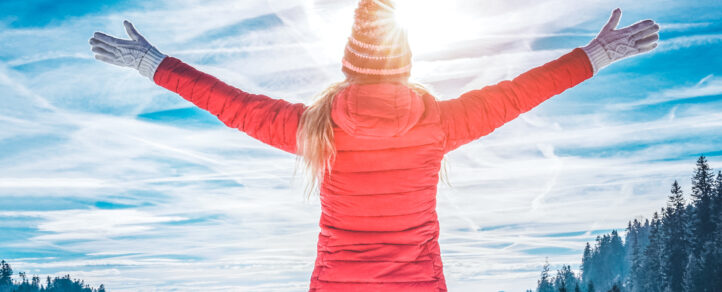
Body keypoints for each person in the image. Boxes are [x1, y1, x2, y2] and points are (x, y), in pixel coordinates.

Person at [88, 1, 659, 291]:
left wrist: (155, 65)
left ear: (349, 67)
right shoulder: (439, 123)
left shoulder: (314, 127)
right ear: (405, 65)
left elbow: (229, 104)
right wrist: (598, 54)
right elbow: (522, 93)